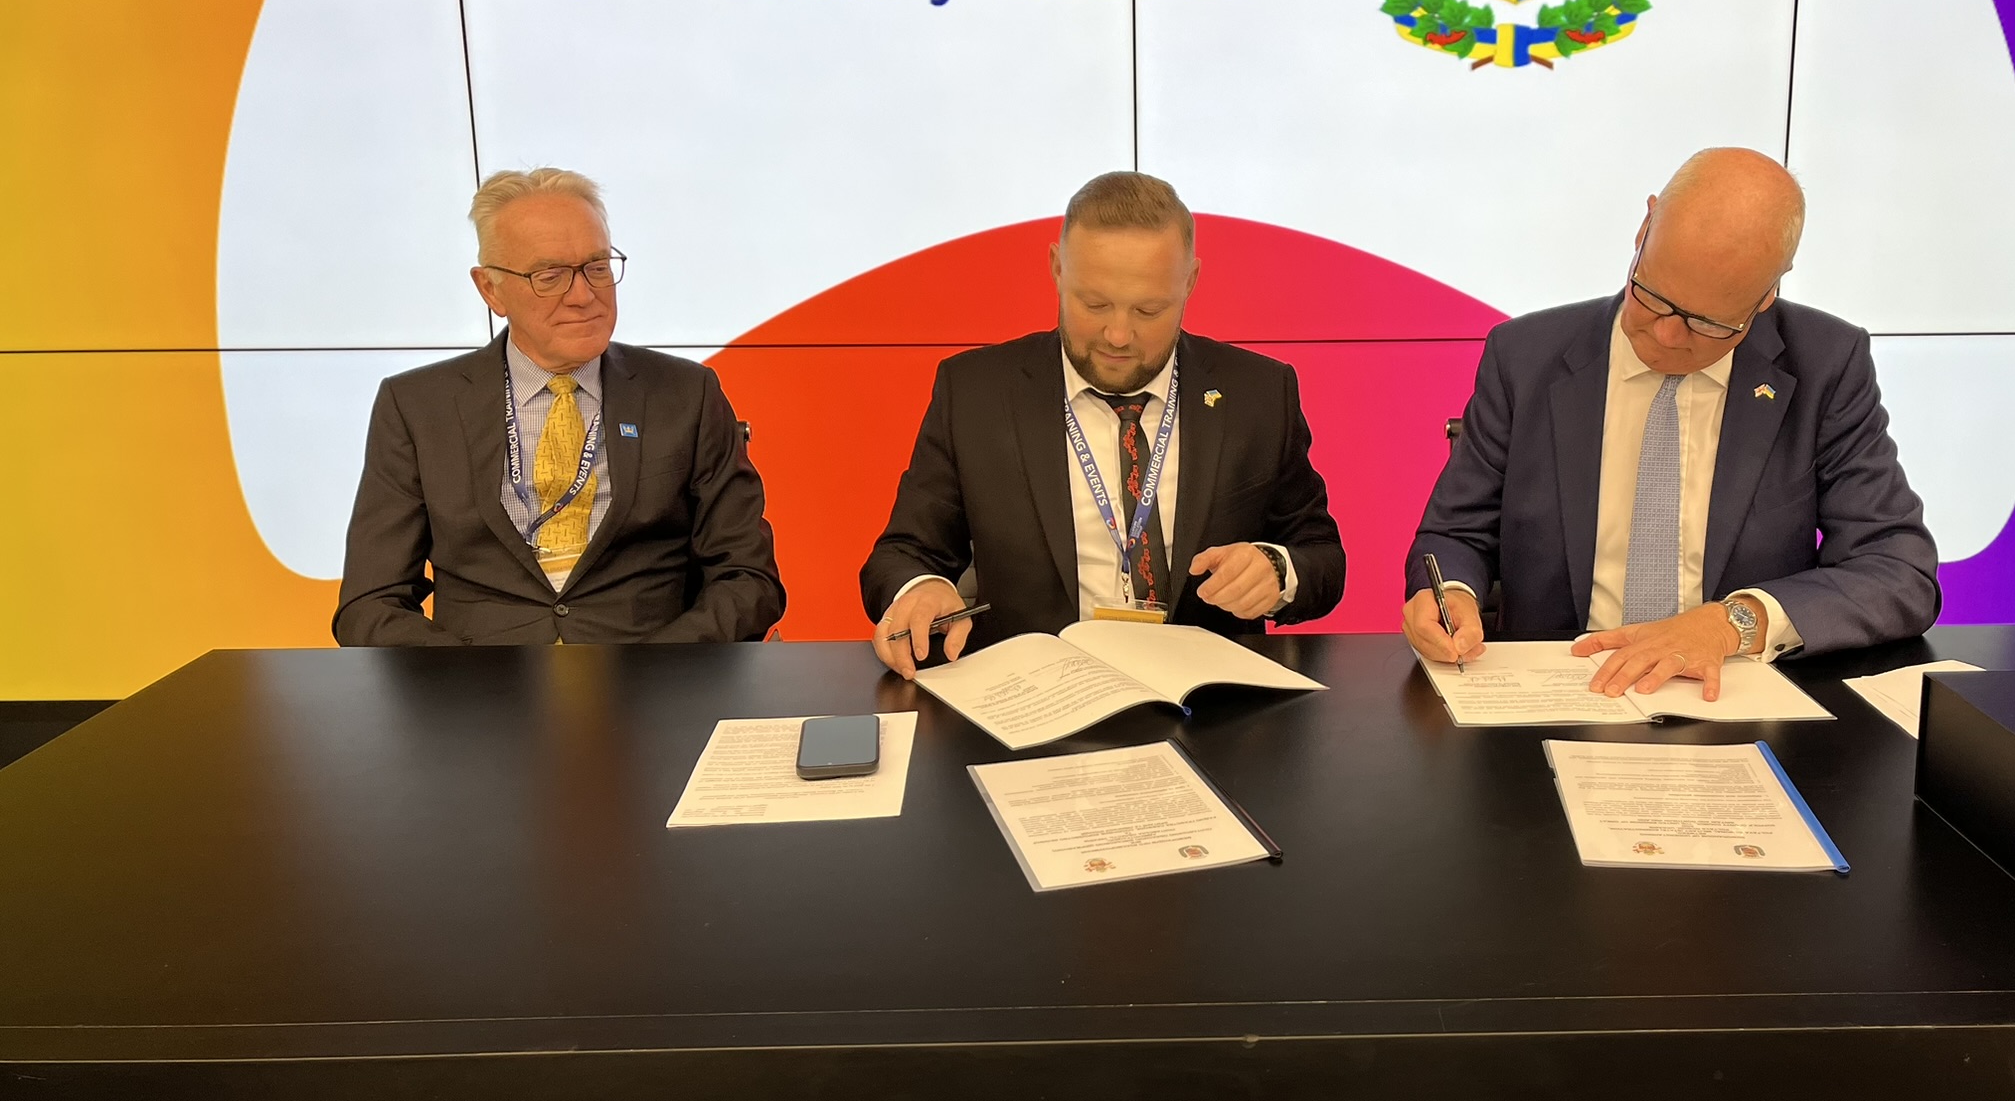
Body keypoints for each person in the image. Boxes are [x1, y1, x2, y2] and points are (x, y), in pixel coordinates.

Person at [1402, 147, 1939, 699]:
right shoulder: (1524, 355)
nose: (1667, 336)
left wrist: (1735, 621)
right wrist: (1451, 595)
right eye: (1652, 296)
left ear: (1768, 294)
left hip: (1733, 694)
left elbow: (1897, 570)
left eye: (1707, 323)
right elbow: (1455, 532)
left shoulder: (1825, 364)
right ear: (1644, 227)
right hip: (1559, 689)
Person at [863, 171, 1346, 678]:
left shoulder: (1258, 393)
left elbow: (1322, 557)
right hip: (1030, 703)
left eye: (1148, 309)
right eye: (1094, 305)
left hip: (1210, 711)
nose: (1118, 334)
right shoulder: (977, 392)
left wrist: (1277, 570)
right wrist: (920, 589)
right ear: (1056, 268)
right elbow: (901, 554)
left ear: (1191, 282)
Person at [334, 168, 784, 645]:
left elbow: (748, 579)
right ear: (490, 289)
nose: (583, 296)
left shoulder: (686, 393)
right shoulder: (417, 407)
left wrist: (658, 668)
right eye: (550, 276)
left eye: (597, 267)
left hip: (652, 685)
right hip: (481, 693)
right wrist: (469, 680)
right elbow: (370, 605)